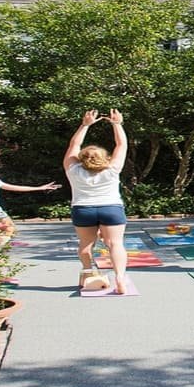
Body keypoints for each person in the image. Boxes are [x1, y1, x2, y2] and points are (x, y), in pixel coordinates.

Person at [63, 109, 129, 294]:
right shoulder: (112, 169)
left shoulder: (73, 169)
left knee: (85, 243)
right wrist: (117, 124)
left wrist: (85, 125)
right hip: (111, 208)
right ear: (105, 158)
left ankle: (87, 271)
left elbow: (73, 145)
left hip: (83, 209)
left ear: (81, 158)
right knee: (115, 244)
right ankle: (120, 278)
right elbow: (121, 145)